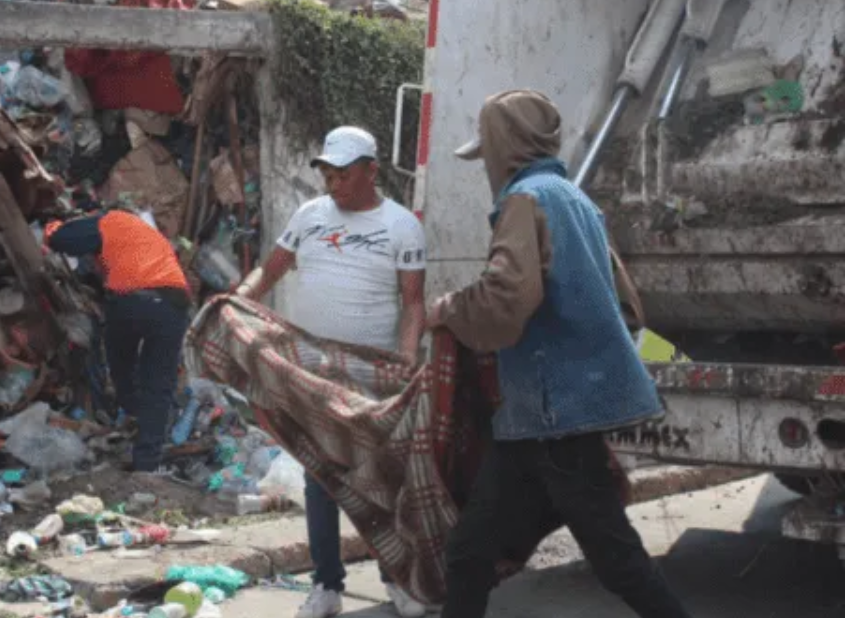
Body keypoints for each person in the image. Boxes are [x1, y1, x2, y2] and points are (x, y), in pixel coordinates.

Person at [430, 89, 691, 618]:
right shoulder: (575, 199)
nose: (487, 165)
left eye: (488, 150)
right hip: (540, 415)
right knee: (469, 550)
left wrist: (448, 309)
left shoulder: (524, 200)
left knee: (617, 559)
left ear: (505, 145)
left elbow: (508, 296)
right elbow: (628, 308)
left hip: (553, 414)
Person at [236, 126, 428, 618]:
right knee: (319, 476)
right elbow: (271, 270)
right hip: (313, 370)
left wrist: (407, 359)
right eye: (328, 173)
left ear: (371, 171)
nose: (334, 183)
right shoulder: (309, 216)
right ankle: (326, 586)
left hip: (372, 372)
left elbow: (412, 303)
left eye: (344, 174)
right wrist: (237, 301)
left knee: (379, 477)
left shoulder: (402, 226)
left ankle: (396, 579)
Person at [44, 208, 191, 473]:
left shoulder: (108, 221)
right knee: (158, 383)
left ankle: (132, 411)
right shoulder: (146, 234)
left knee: (120, 361)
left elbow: (63, 240)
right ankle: (146, 463)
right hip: (174, 304)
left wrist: (52, 226)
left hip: (131, 301)